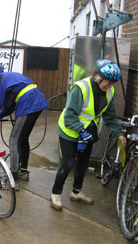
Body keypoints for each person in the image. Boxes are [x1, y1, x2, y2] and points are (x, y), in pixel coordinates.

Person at [50, 59, 126, 211]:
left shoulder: (109, 92)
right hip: (69, 131)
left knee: (83, 163)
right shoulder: (81, 88)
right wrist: (81, 131)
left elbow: (110, 117)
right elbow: (70, 115)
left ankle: (76, 192)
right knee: (68, 163)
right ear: (97, 77)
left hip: (88, 132)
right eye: (108, 82)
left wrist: (118, 133)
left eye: (113, 83)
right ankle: (55, 194)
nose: (110, 86)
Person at [0, 66, 48, 188]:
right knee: (22, 139)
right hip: (35, 101)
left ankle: (12, 181)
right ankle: (23, 172)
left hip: (28, 103)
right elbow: (9, 106)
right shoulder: (3, 78)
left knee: (14, 140)